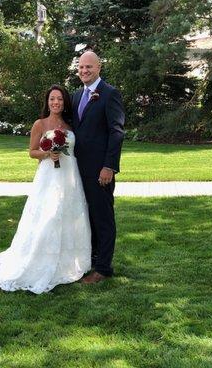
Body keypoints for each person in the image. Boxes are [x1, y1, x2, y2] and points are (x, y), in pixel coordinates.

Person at [0, 85, 91, 294]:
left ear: (65, 102)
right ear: (47, 102)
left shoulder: (70, 125)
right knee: (49, 216)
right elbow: (31, 152)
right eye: (52, 99)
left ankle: (69, 261)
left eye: (59, 99)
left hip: (71, 178)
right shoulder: (40, 124)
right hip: (49, 178)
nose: (55, 102)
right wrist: (48, 153)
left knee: (69, 216)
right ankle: (41, 260)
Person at [72, 51, 125, 284]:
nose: (84, 71)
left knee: (102, 217)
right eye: (81, 67)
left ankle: (103, 268)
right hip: (77, 170)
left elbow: (116, 132)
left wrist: (109, 167)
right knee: (87, 216)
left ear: (99, 68)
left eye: (89, 67)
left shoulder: (109, 94)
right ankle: (92, 259)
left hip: (100, 171)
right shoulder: (75, 96)